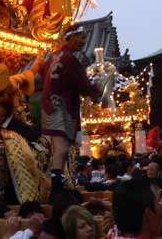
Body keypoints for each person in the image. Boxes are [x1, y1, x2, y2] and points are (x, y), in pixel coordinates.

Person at [39, 25, 101, 196]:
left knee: (60, 148)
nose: (83, 41)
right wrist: (97, 89)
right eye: (81, 37)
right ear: (71, 38)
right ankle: (56, 189)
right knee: (61, 149)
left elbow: (41, 71)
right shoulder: (69, 59)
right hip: (60, 106)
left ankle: (57, 183)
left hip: (48, 105)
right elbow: (83, 84)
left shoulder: (53, 57)